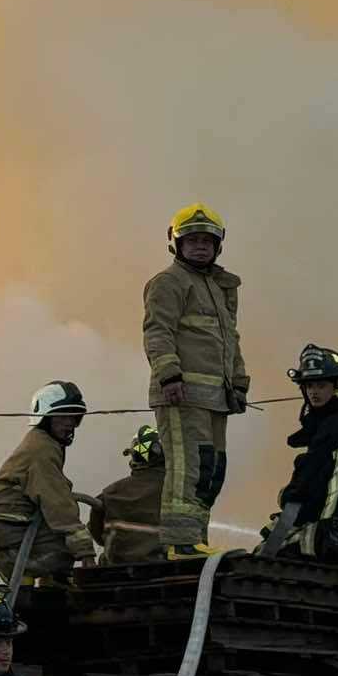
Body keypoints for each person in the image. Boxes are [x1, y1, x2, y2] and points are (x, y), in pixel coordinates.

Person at [144, 203, 250, 560]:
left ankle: (196, 539)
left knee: (211, 471)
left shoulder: (219, 289)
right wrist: (169, 375)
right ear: (177, 244)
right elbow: (158, 332)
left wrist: (238, 382)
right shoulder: (168, 283)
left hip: (214, 399)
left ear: (218, 246)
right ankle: (180, 542)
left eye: (207, 240)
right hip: (181, 395)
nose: (201, 246)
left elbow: (229, 340)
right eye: (192, 241)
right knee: (187, 467)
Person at [0, 383, 96, 580]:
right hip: (5, 520)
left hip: (7, 518)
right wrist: (85, 551)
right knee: (63, 550)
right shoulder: (42, 449)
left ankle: (44, 584)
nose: (69, 423)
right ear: (44, 418)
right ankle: (11, 563)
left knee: (60, 544)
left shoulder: (46, 442)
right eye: (62, 416)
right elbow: (56, 500)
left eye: (74, 417)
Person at [274, 344, 338, 558]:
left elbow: (310, 485)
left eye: (321, 385)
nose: (313, 392)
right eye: (309, 386)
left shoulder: (335, 427)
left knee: (267, 553)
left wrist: (288, 497)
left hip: (327, 530)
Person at [89, 424, 166, 566]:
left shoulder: (109, 494)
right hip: (164, 568)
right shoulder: (177, 491)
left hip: (115, 572)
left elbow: (97, 532)